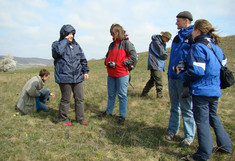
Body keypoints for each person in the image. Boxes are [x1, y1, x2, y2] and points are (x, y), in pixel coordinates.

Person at [179, 19, 232, 161]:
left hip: (202, 90)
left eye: (193, 31)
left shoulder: (198, 47)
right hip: (214, 90)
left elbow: (198, 71)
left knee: (202, 121)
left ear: (197, 30)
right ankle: (225, 147)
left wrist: (183, 74)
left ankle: (203, 154)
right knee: (213, 118)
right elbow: (222, 64)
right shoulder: (216, 47)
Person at [166, 11, 195, 147]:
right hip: (172, 78)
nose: (176, 23)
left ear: (186, 20)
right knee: (174, 107)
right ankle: (172, 131)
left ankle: (189, 137)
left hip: (184, 79)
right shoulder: (177, 37)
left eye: (178, 20)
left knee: (186, 109)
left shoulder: (192, 36)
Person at [52, 24, 89, 126]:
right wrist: (65, 41)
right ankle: (63, 119)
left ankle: (80, 119)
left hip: (77, 77)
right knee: (66, 99)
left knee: (80, 98)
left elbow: (82, 59)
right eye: (68, 33)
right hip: (64, 77)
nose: (71, 35)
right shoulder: (56, 44)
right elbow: (57, 52)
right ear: (64, 34)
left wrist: (85, 71)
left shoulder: (76, 46)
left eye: (72, 33)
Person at [99, 24, 137, 124]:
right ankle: (109, 112)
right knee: (111, 94)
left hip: (122, 74)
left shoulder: (127, 43)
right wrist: (107, 63)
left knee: (122, 95)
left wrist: (122, 63)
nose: (111, 35)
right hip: (111, 74)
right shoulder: (112, 45)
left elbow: (134, 57)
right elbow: (107, 57)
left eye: (112, 33)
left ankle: (122, 116)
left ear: (117, 32)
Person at [140, 31, 172, 98]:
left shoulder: (161, 43)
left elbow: (163, 53)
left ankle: (144, 94)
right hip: (155, 64)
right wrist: (166, 55)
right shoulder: (156, 42)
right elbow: (163, 54)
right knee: (158, 79)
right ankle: (160, 96)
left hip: (156, 64)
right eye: (168, 39)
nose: (168, 41)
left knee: (152, 80)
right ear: (164, 37)